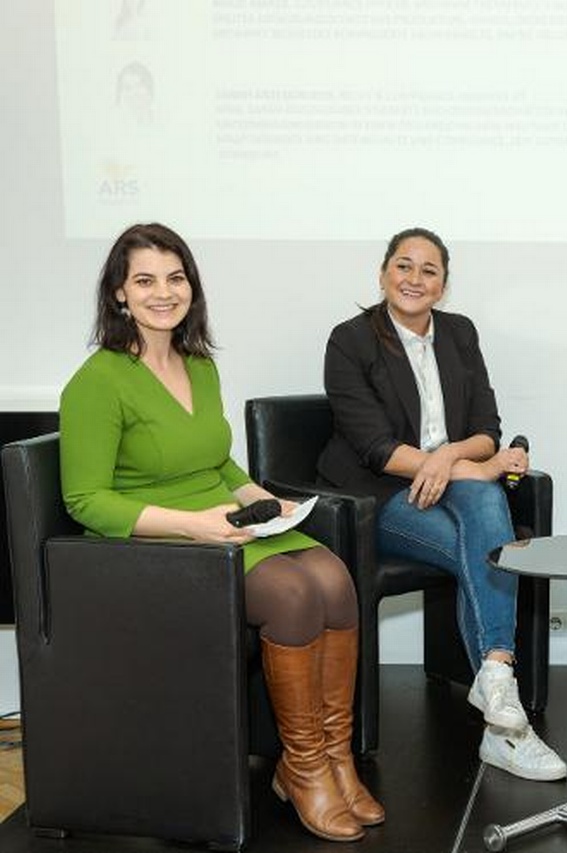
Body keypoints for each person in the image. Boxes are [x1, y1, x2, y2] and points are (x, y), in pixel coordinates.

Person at [60, 223, 382, 842]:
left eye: (175, 277)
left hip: (219, 521)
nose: (163, 292)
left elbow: (217, 461)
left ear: (191, 287)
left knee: (334, 580)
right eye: (145, 280)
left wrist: (259, 497)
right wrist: (194, 527)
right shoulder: (97, 382)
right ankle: (307, 767)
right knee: (292, 594)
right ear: (119, 294)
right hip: (155, 544)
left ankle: (330, 756)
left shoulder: (198, 364)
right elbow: (85, 501)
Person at [317, 227, 567, 782]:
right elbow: (374, 449)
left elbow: (487, 428)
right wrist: (471, 467)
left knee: (482, 507)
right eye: (403, 266)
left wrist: (451, 458)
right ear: (383, 274)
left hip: (452, 480)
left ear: (444, 284)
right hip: (376, 497)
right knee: (485, 535)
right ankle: (507, 725)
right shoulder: (351, 340)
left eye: (429, 270)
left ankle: (496, 686)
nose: (414, 279)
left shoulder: (458, 334)